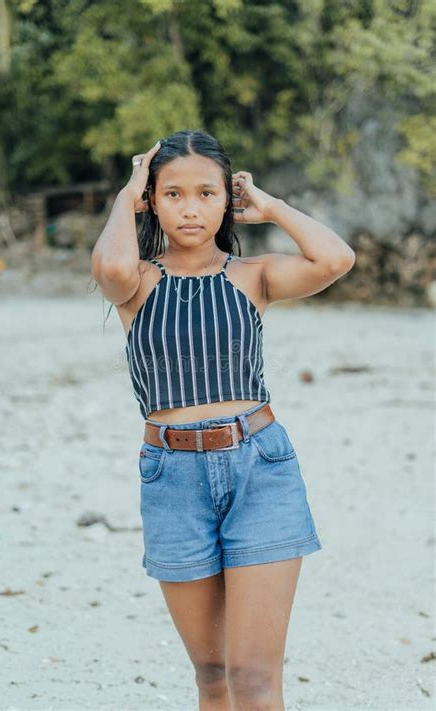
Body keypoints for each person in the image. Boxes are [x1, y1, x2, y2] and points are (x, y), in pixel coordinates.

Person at [91, 129, 355, 711]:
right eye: (173, 193)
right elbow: (109, 266)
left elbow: (336, 259)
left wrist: (268, 205)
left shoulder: (252, 276)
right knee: (212, 676)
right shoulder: (137, 283)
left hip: (260, 469)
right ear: (152, 201)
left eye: (207, 194)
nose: (190, 208)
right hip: (172, 478)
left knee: (254, 679)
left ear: (225, 201)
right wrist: (125, 193)